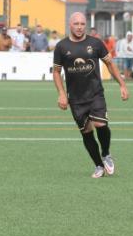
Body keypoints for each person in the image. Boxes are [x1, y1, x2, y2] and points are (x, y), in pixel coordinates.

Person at [53, 12, 129, 178]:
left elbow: (110, 63)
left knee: (101, 125)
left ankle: (106, 154)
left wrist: (122, 84)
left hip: (95, 94)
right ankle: (98, 166)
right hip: (75, 98)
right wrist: (61, 94)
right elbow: (57, 72)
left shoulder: (95, 43)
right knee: (86, 132)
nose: (79, 27)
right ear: (70, 25)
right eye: (76, 24)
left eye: (82, 24)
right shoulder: (61, 47)